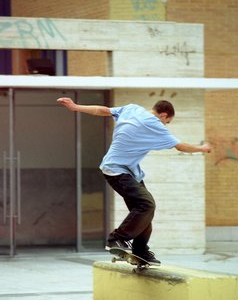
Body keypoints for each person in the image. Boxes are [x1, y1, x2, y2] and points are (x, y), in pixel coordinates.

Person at [57, 98, 211, 265]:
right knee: (146, 204)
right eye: (167, 122)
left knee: (145, 213)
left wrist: (75, 107)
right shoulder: (155, 124)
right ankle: (116, 239)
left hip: (129, 172)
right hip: (117, 171)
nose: (165, 126)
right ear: (164, 115)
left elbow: (102, 110)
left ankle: (140, 251)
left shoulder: (131, 109)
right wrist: (201, 149)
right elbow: (180, 146)